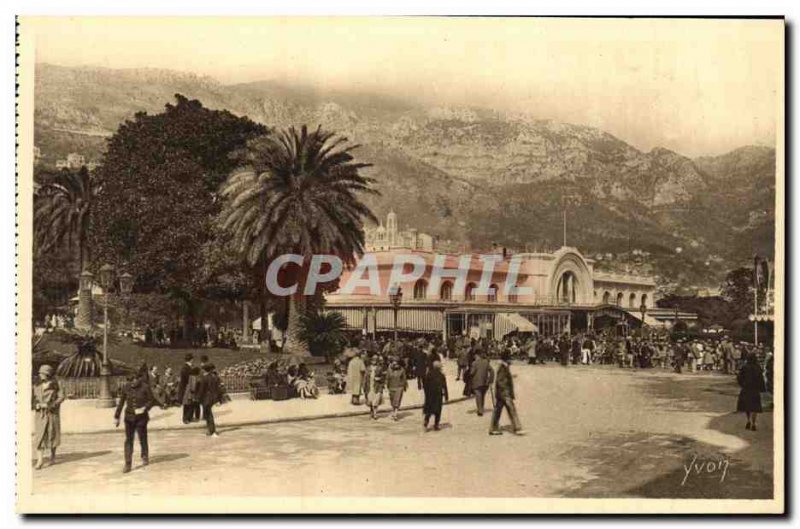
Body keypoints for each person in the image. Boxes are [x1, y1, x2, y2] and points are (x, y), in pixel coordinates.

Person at [114, 368, 157, 473]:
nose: (132, 383)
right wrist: (117, 416)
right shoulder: (126, 387)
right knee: (129, 440)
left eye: (134, 380)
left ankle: (144, 455)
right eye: (130, 380)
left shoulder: (145, 387)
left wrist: (144, 408)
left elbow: (152, 400)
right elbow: (121, 403)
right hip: (129, 417)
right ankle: (128, 463)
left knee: (142, 437)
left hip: (141, 418)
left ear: (139, 379)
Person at [32, 365, 65, 469]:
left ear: (48, 374)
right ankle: (40, 461)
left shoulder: (56, 384)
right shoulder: (36, 385)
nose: (40, 375)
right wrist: (36, 405)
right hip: (40, 415)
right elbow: (32, 399)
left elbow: (61, 397)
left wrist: (50, 405)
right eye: (40, 373)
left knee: (52, 435)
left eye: (43, 373)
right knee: (39, 437)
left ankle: (53, 457)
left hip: (52, 414)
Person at [489, 350, 523, 435]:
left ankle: (493, 428)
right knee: (511, 409)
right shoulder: (503, 368)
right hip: (504, 392)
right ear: (507, 359)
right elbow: (500, 381)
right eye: (510, 358)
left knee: (498, 411)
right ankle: (517, 427)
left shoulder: (504, 366)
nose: (512, 360)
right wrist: (506, 391)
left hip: (501, 393)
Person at [737, 353, 766, 431]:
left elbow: (739, 377)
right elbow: (761, 379)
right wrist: (762, 388)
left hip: (746, 388)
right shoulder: (758, 367)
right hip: (755, 389)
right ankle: (753, 423)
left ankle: (748, 420)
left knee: (747, 406)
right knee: (755, 407)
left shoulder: (744, 367)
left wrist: (742, 384)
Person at [197, 363, 223, 437]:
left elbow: (201, 390)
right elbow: (217, 388)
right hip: (212, 398)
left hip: (206, 398)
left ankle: (212, 430)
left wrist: (198, 398)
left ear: (204, 370)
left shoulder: (204, 378)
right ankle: (210, 430)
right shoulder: (214, 377)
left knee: (208, 414)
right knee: (207, 414)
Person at [422, 360, 449, 431]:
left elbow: (425, 385)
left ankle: (426, 422)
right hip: (438, 394)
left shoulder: (429, 374)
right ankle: (436, 425)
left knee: (429, 409)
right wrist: (446, 396)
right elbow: (444, 386)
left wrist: (426, 393)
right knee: (438, 410)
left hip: (430, 394)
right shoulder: (441, 375)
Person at [470, 351, 494, 416]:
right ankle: (482, 408)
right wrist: (490, 380)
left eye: (474, 355)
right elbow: (492, 371)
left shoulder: (474, 363)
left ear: (476, 355)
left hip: (476, 382)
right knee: (482, 396)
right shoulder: (486, 362)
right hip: (485, 382)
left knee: (478, 396)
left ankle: (480, 410)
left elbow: (472, 373)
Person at [178, 354, 195, 424]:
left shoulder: (188, 367)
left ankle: (189, 417)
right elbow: (187, 378)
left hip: (189, 387)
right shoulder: (186, 368)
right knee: (187, 403)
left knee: (191, 403)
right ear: (191, 359)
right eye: (192, 359)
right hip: (187, 387)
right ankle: (185, 418)